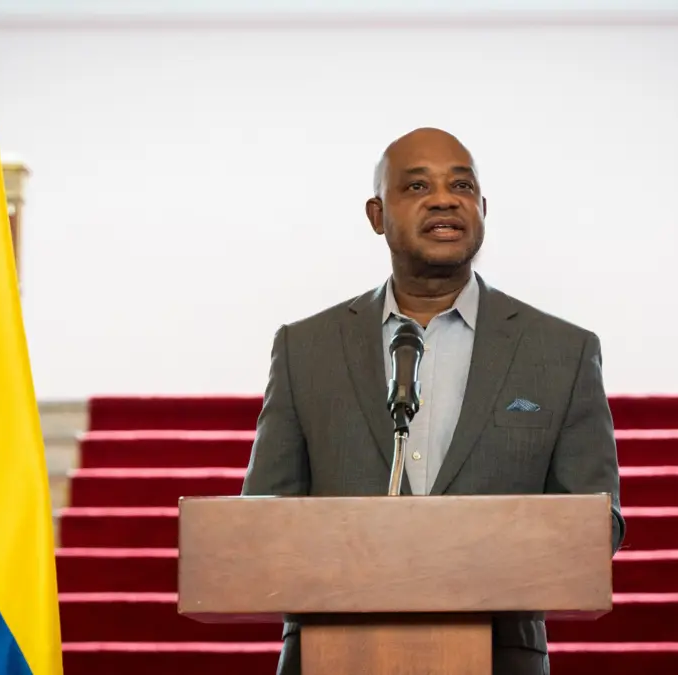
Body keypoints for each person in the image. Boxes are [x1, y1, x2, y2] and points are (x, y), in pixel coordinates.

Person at [240, 127, 625, 675]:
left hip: (500, 656)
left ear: (483, 209)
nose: (444, 199)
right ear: (377, 215)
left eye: (461, 186)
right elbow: (263, 519)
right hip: (332, 654)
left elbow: (594, 522)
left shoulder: (562, 351)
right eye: (418, 186)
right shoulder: (306, 348)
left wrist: (463, 553)